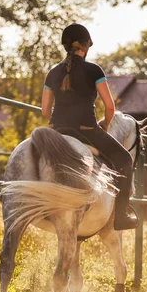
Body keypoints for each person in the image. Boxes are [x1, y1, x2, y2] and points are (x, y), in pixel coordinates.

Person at [40, 23, 138, 231]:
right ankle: (121, 215)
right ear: (85, 47)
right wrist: (104, 124)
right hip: (87, 131)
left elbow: (45, 110)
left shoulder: (52, 73)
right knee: (125, 160)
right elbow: (109, 107)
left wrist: (59, 121)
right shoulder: (94, 70)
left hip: (57, 131)